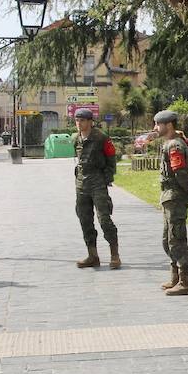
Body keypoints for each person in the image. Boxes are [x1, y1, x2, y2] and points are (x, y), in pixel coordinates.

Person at [156, 109, 188, 295]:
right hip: (169, 197)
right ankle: (175, 277)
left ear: (168, 125)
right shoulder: (169, 143)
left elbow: (180, 174)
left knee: (177, 239)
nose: (155, 127)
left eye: (158, 124)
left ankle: (186, 282)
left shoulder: (175, 146)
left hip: (175, 197)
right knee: (168, 240)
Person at [73, 107, 121, 269]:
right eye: (77, 120)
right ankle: (92, 255)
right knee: (85, 219)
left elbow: (111, 159)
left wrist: (106, 178)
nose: (79, 123)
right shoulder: (76, 138)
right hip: (82, 184)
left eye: (82, 120)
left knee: (104, 219)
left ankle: (115, 255)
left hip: (97, 183)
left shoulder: (101, 137)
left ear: (90, 122)